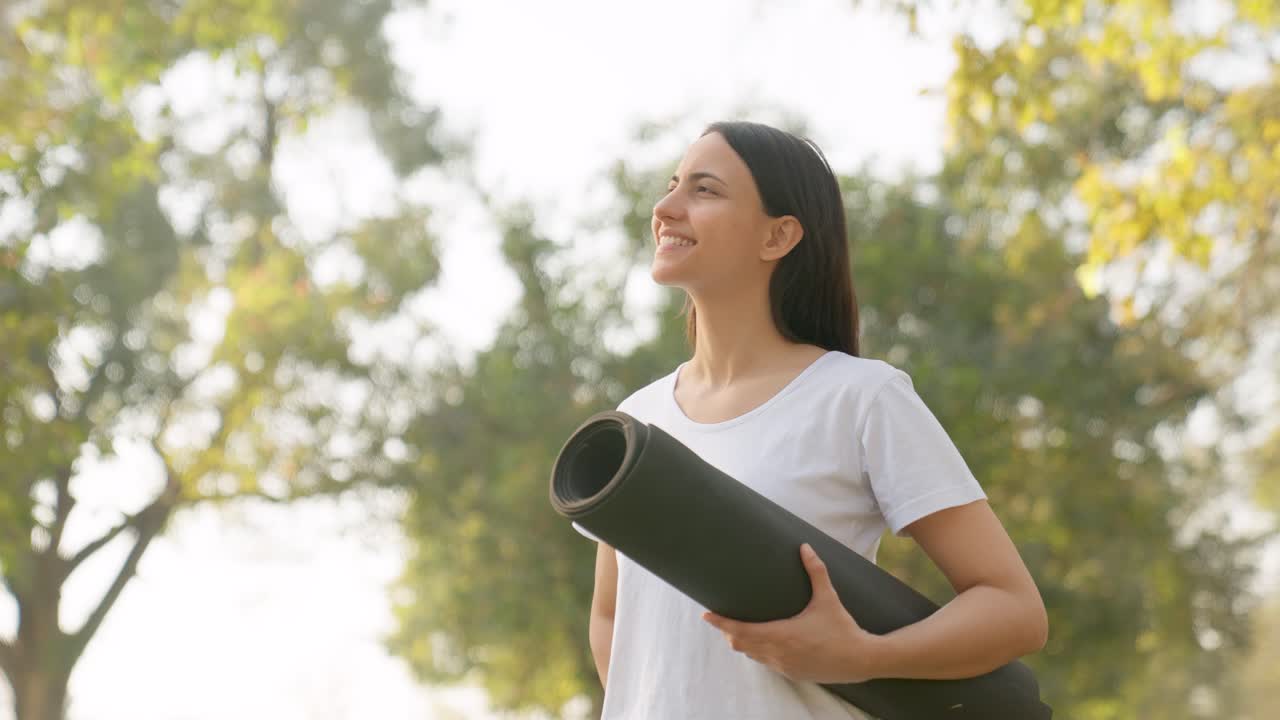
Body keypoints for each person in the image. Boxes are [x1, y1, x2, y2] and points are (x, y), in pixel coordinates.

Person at [580, 120, 1048, 720]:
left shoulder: (859, 398)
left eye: (704, 190)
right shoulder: (637, 419)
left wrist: (866, 655)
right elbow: (611, 615)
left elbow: (1013, 609)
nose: (665, 208)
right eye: (673, 186)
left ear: (778, 236)